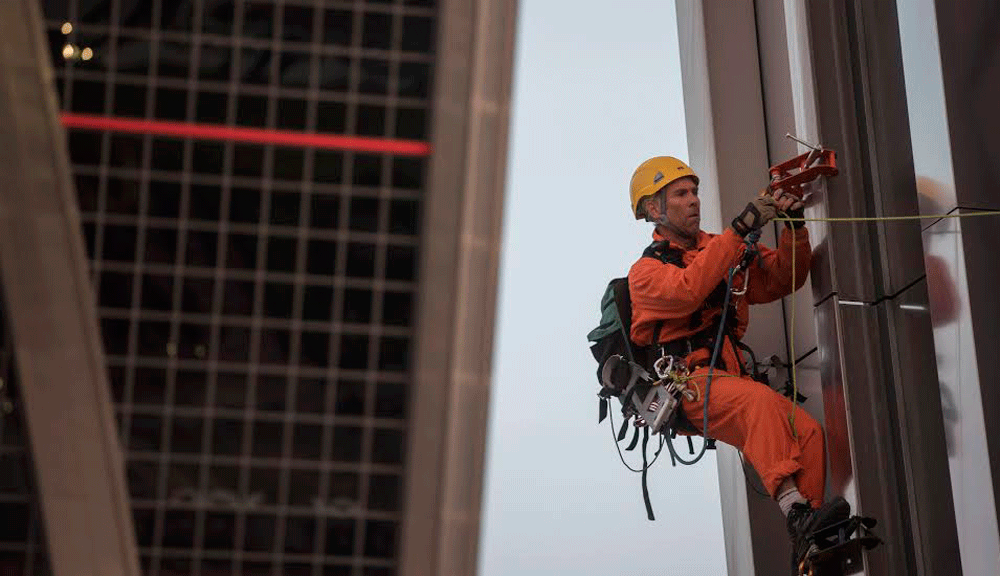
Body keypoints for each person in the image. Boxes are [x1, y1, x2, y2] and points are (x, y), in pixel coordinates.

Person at [626, 156, 849, 572]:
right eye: (681, 194)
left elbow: (784, 278)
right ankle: (797, 515)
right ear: (654, 209)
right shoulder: (645, 272)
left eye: (694, 191)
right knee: (756, 404)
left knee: (808, 434)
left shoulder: (720, 247)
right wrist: (741, 228)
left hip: (724, 379)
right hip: (685, 385)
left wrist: (794, 227)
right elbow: (687, 292)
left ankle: (813, 545)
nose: (693, 201)